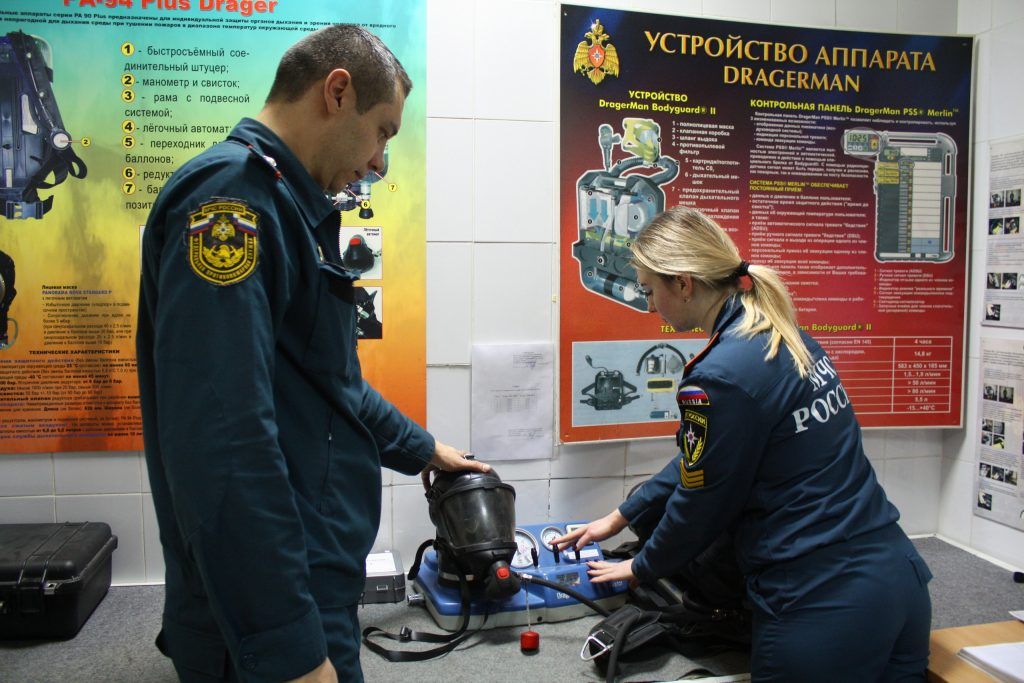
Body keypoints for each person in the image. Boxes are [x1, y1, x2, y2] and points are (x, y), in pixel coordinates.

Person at [136, 25, 489, 683]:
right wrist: (289, 648)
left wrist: (423, 448)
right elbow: (225, 444)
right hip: (272, 600)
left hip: (309, 577)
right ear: (336, 91)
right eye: (384, 131)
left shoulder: (287, 206)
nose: (382, 162)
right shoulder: (231, 204)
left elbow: (327, 384)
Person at [555, 207, 933, 681]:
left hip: (821, 601)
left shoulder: (720, 374)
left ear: (685, 284)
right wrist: (623, 515)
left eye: (651, 290)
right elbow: (709, 456)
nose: (650, 306)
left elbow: (701, 500)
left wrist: (641, 567)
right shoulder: (783, 334)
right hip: (898, 577)